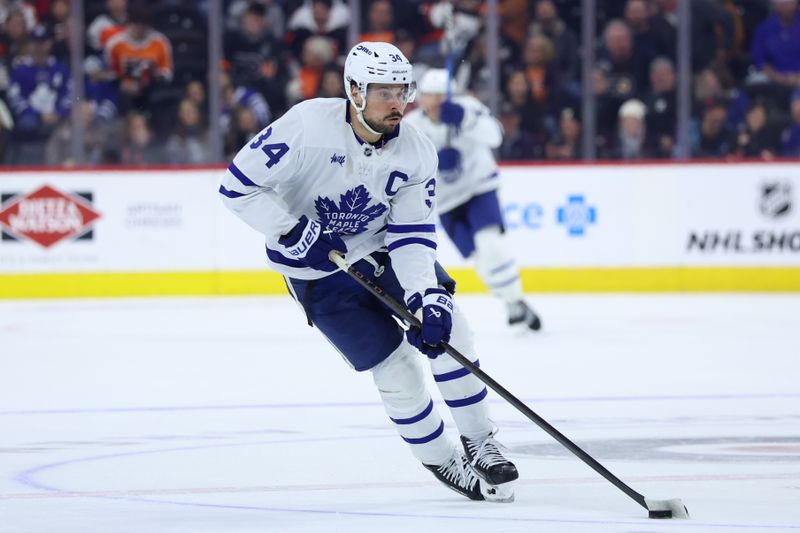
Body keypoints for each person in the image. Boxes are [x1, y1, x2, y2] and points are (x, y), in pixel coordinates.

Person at [219, 42, 519, 502]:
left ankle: (480, 440)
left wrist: (427, 296)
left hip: (379, 250)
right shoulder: (306, 125)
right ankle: (443, 459)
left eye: (403, 91)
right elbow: (237, 186)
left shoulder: (416, 150)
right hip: (314, 275)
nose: (398, 103)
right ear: (354, 91)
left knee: (449, 327)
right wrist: (292, 231)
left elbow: (412, 235)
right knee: (397, 367)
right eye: (384, 92)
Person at [403, 68, 542, 331]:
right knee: (479, 258)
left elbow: (495, 136)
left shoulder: (468, 108)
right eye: (429, 96)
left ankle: (514, 301)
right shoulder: (413, 127)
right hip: (445, 202)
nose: (435, 103)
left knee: (491, 245)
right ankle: (513, 302)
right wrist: (432, 165)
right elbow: (406, 167)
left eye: (440, 96)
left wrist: (466, 119)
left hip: (479, 188)